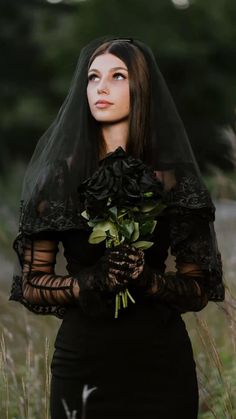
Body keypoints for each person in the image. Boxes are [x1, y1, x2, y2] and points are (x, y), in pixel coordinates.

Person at [9, 36, 225, 419]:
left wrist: (148, 278)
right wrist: (92, 280)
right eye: (93, 77)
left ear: (141, 87)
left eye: (118, 76)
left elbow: (198, 289)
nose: (101, 87)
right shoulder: (59, 181)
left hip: (161, 366)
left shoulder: (175, 181)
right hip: (83, 366)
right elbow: (32, 284)